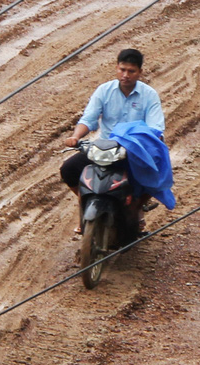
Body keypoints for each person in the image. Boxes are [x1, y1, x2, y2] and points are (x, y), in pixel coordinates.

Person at [62, 48, 166, 230]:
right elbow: (88, 119)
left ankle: (137, 207)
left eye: (131, 71)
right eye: (122, 69)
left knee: (154, 174)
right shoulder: (104, 90)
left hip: (132, 150)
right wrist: (75, 136)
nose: (125, 75)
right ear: (116, 68)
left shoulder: (149, 95)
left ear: (140, 72)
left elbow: (155, 127)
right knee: (69, 169)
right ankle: (85, 206)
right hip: (104, 147)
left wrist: (145, 140)